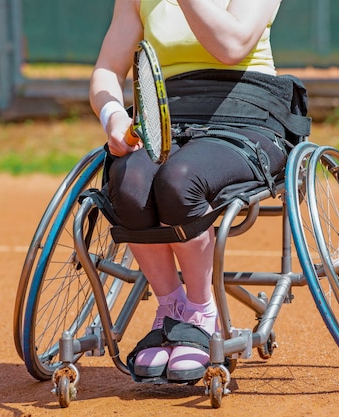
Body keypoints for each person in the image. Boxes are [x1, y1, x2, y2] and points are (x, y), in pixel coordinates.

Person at [89, 0, 303, 384]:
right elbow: (107, 69)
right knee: (127, 185)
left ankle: (203, 313)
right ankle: (172, 309)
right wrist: (115, 117)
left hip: (247, 119)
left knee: (179, 180)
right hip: (166, 120)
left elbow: (232, 46)